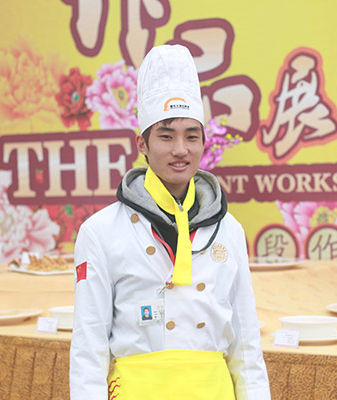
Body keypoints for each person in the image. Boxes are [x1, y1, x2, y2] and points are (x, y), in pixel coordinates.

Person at [69, 44, 271, 400]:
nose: (181, 149)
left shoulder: (229, 229)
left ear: (204, 142)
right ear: (142, 144)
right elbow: (89, 346)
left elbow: (246, 345)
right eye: (166, 136)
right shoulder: (100, 232)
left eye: (191, 136)